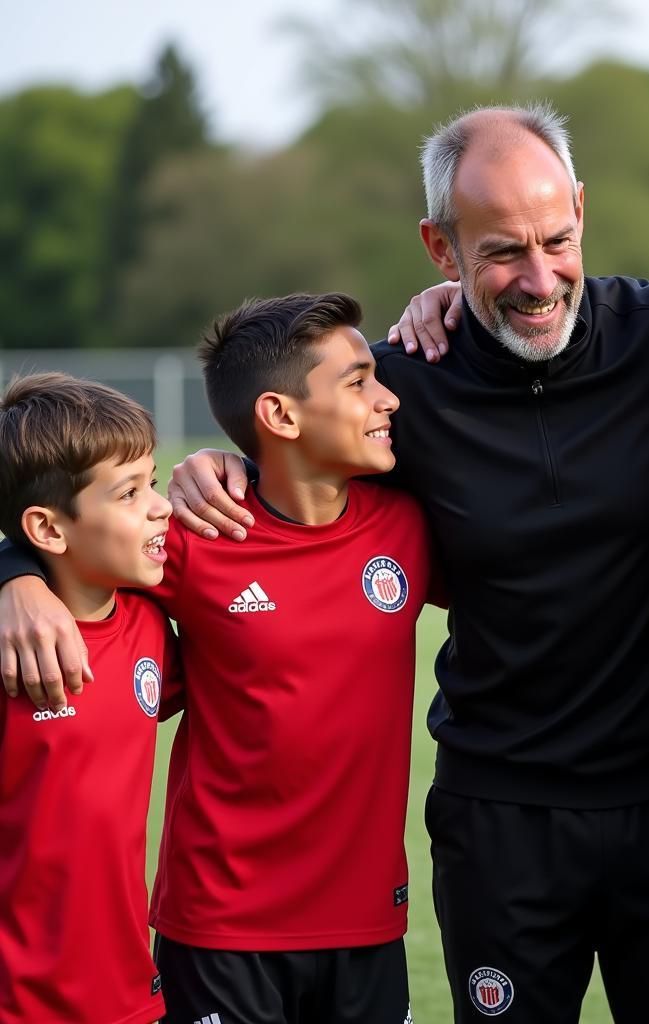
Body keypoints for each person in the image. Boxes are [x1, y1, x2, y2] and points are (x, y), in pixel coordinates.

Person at [3, 105, 649, 1022]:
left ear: (580, 210)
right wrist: (14, 565)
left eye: (556, 240)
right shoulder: (402, 389)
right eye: (498, 253)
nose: (537, 279)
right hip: (498, 813)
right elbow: (218, 470)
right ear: (438, 248)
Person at [0, 294, 439, 1024]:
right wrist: (12, 573)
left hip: (368, 925)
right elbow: (71, 541)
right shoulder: (194, 538)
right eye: (358, 381)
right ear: (281, 415)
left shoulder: (411, 526)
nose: (386, 397)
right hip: (219, 930)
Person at [0, 373, 178, 1024]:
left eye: (153, 481)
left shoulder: (151, 624)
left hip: (132, 996)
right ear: (48, 528)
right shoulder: (9, 655)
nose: (160, 506)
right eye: (130, 493)